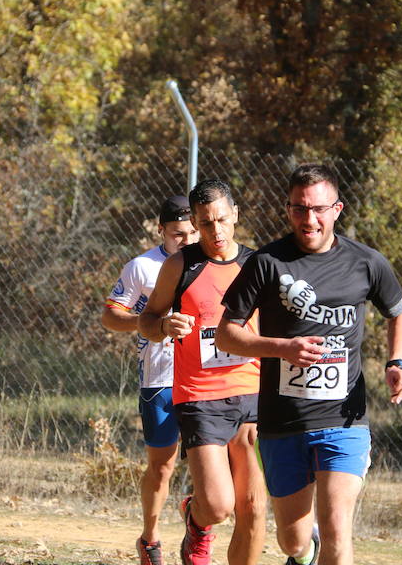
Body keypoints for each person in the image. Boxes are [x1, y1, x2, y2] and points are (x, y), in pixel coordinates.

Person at [216, 163, 402, 565]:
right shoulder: (267, 262)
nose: (310, 219)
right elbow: (226, 333)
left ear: (337, 209)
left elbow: (400, 314)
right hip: (282, 422)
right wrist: (281, 347)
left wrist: (398, 362)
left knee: (338, 529)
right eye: (300, 209)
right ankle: (304, 553)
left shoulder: (367, 262)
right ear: (288, 210)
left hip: (344, 420)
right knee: (293, 539)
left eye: (319, 209)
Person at [137, 179, 267, 565]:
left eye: (222, 220)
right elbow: (147, 319)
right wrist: (163, 327)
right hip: (200, 395)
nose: (216, 231)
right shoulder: (181, 265)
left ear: (235, 216)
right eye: (206, 223)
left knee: (254, 507)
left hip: (252, 391)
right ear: (195, 222)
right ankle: (197, 519)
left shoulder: (256, 264)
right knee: (218, 505)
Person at [101, 195, 199, 565]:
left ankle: (198, 517)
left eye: (192, 233)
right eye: (177, 234)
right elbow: (111, 315)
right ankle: (151, 538)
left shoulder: (213, 263)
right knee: (163, 465)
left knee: (215, 463)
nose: (186, 241)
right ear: (161, 230)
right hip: (160, 378)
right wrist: (152, 325)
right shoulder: (142, 267)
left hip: (205, 379)